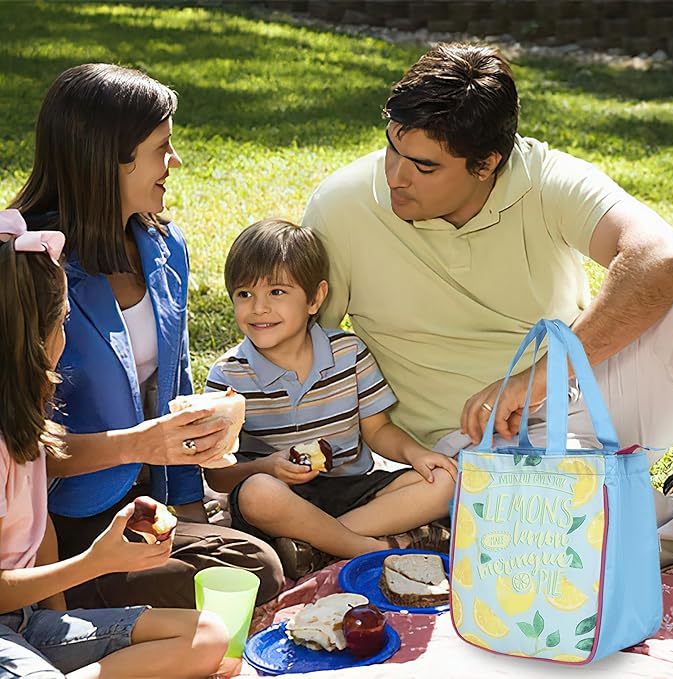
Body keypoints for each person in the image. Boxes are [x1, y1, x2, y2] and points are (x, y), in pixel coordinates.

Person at [301, 43, 673, 565]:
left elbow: (661, 256)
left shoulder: (545, 178)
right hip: (472, 447)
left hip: (585, 397)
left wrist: (540, 377)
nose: (395, 176)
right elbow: (296, 345)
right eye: (392, 148)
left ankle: (631, 520)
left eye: (425, 167)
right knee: (553, 528)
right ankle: (640, 524)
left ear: (487, 164)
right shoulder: (340, 206)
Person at [9, 63, 284, 608]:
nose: (174, 162)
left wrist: (188, 510)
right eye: (162, 147)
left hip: (146, 500)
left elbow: (172, 386)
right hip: (56, 524)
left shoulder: (165, 246)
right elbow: (19, 442)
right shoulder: (29, 267)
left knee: (253, 566)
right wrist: (139, 443)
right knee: (242, 577)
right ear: (107, 157)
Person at [0, 209, 236, 679]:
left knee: (209, 635)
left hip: (27, 622)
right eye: (62, 323)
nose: (65, 340)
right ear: (32, 337)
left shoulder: (23, 421)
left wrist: (57, 621)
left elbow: (36, 528)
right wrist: (94, 563)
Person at [203, 219, 458, 580]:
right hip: (281, 501)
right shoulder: (228, 375)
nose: (258, 308)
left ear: (315, 298)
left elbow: (378, 430)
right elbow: (218, 476)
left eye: (277, 292)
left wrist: (418, 454)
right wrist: (268, 467)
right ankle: (372, 549)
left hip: (351, 489)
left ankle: (316, 546)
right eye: (245, 294)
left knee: (444, 480)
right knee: (258, 493)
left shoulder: (348, 352)